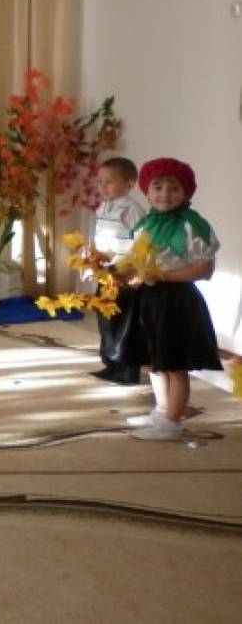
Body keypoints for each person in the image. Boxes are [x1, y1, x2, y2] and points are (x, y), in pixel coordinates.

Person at [119, 158, 222, 441]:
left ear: (186, 191)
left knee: (174, 363)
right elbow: (138, 263)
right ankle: (163, 412)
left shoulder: (193, 225)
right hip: (150, 298)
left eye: (174, 188)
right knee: (154, 360)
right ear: (147, 190)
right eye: (158, 187)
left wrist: (161, 276)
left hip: (177, 301)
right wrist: (121, 274)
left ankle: (172, 423)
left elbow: (205, 270)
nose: (165, 194)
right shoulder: (145, 224)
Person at [89, 157, 145, 384]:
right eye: (100, 181)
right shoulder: (103, 207)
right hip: (106, 271)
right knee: (105, 317)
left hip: (125, 272)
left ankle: (128, 368)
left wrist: (133, 269)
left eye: (109, 182)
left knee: (124, 321)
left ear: (129, 184)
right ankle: (110, 363)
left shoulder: (132, 209)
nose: (103, 187)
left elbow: (142, 242)